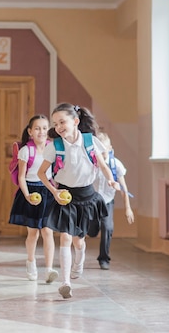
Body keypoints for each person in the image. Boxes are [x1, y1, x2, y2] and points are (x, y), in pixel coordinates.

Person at [37, 103, 119, 299]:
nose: (58, 127)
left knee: (79, 242)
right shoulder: (55, 146)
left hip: (87, 196)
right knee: (65, 236)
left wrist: (110, 179)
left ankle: (79, 262)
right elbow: (42, 173)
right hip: (65, 196)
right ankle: (65, 282)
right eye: (55, 124)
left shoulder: (90, 142)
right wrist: (54, 192)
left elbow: (102, 164)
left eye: (62, 122)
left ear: (75, 121)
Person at [9, 114, 59, 284]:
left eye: (45, 128)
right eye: (37, 128)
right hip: (31, 191)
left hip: (48, 191)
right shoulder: (26, 150)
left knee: (48, 231)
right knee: (33, 233)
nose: (41, 131)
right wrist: (27, 195)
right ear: (30, 131)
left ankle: (50, 269)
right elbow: (21, 177)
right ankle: (31, 262)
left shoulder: (52, 147)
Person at [90, 131, 134, 270]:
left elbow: (124, 188)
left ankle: (104, 258)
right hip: (92, 201)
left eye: (104, 149)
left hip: (107, 201)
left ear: (110, 148)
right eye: (99, 149)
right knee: (92, 231)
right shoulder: (92, 163)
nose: (102, 152)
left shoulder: (116, 165)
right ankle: (91, 228)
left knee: (108, 227)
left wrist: (128, 208)